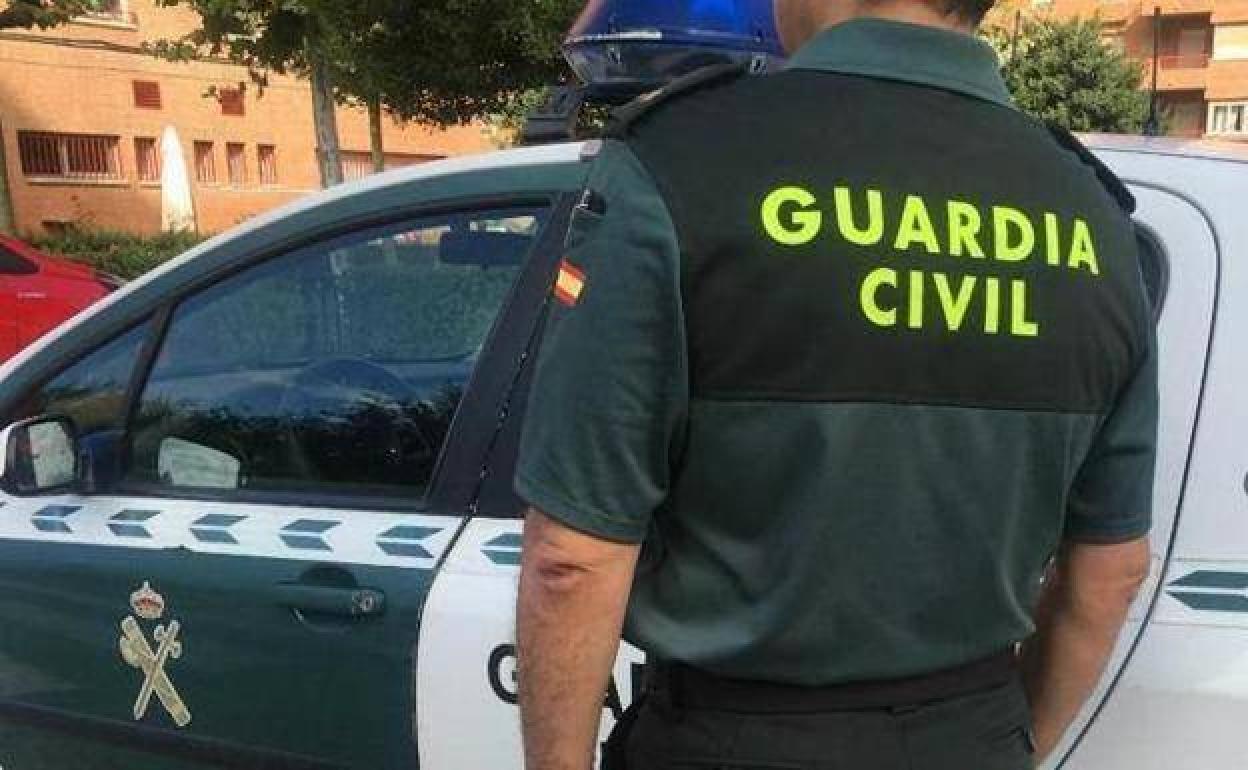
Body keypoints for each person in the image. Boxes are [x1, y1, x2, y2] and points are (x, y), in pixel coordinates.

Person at [513, 0, 1158, 768]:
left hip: (732, 739)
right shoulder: (1092, 212)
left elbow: (572, 560)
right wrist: (1004, 746)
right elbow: (1110, 572)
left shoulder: (682, 160)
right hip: (972, 734)